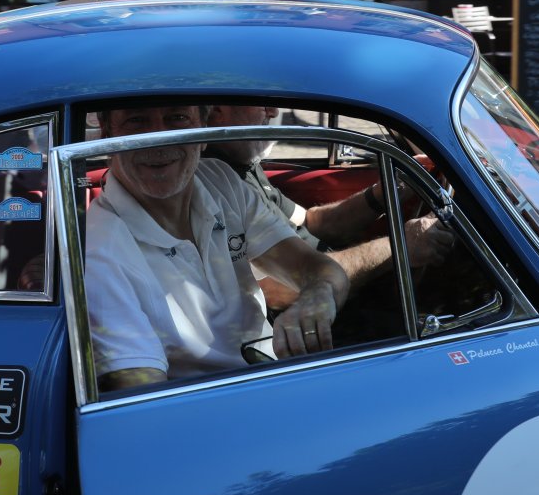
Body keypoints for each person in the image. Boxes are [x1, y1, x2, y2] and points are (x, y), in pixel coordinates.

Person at [83, 105, 350, 392]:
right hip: (215, 405)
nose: (159, 140)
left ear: (203, 129)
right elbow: (142, 397)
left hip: (276, 377)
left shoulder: (219, 181)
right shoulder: (98, 250)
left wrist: (317, 295)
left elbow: (316, 268)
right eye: (137, 120)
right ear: (107, 133)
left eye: (177, 118)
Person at [202, 105, 454, 299]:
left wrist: (389, 191)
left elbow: (311, 221)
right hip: (319, 313)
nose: (274, 112)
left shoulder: (243, 167)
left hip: (332, 291)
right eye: (261, 103)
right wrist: (399, 247)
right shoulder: (213, 186)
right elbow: (275, 289)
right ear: (217, 110)